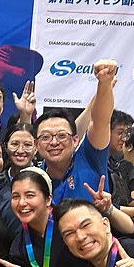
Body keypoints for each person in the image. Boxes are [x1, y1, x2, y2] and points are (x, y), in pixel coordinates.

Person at [36, 59, 117, 201]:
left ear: (75, 140)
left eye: (61, 136)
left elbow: (100, 122)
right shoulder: (34, 179)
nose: (54, 142)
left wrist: (104, 84)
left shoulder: (90, 157)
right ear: (36, 145)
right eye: (45, 137)